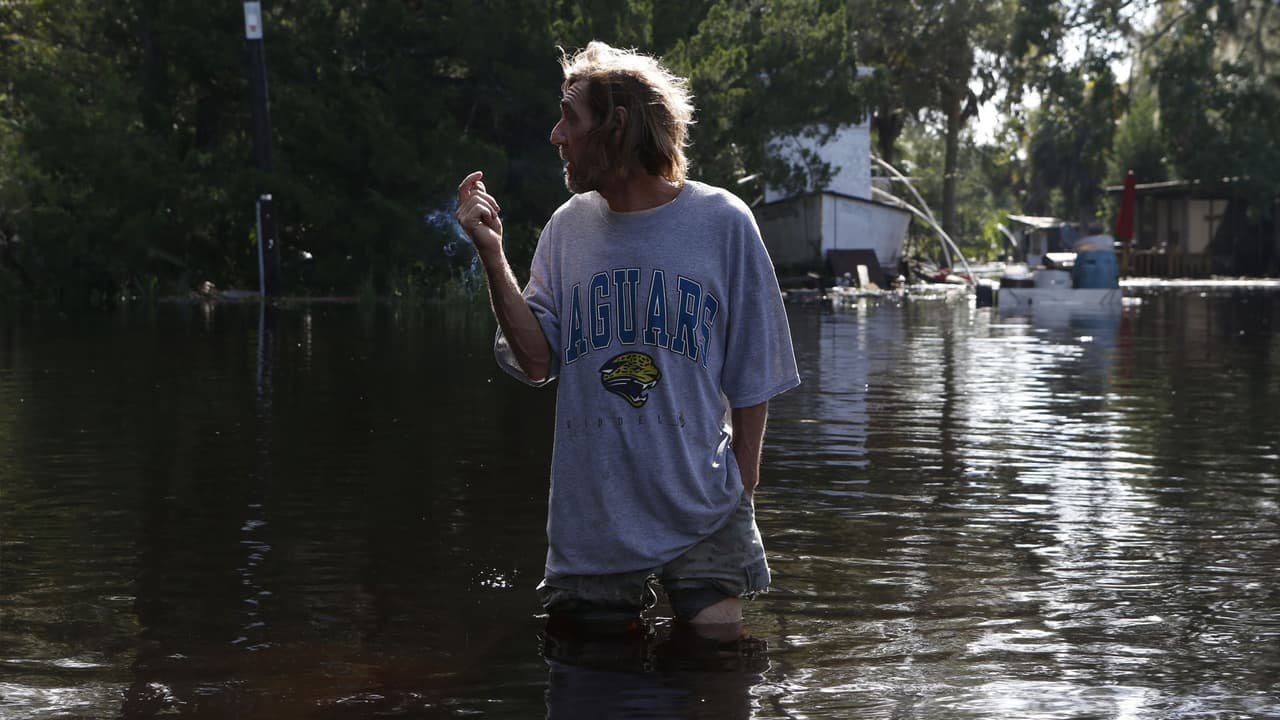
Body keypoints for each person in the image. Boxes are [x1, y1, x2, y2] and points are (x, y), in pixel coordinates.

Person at [455, 41, 799, 637]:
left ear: (616, 127)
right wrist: (492, 254)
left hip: (703, 499)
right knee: (594, 676)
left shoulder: (723, 223)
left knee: (716, 669)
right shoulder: (568, 230)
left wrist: (742, 481)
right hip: (593, 513)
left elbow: (756, 366)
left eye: (570, 117)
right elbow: (536, 362)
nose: (555, 134)